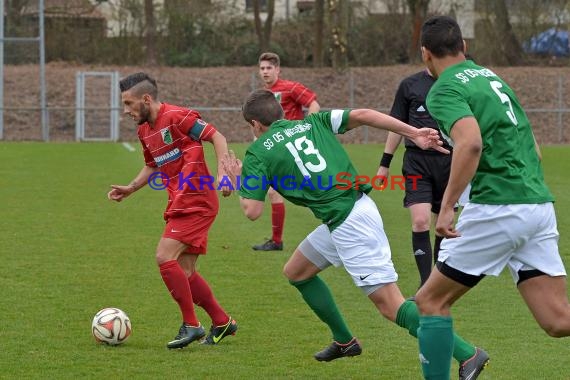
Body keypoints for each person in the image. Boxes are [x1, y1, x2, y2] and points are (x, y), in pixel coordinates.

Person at [223, 89, 488, 379]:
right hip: (348, 212)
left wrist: (237, 179)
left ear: (256, 125)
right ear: (281, 113)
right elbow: (363, 115)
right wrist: (414, 132)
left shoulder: (258, 152)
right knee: (297, 271)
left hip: (349, 223)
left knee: (392, 307)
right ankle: (344, 341)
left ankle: (468, 354)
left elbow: (251, 211)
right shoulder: (313, 121)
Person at [415, 15, 570, 380]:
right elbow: (534, 148)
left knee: (430, 301)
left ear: (426, 55)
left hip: (499, 207)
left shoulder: (444, 89)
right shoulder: (493, 78)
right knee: (558, 320)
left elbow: (470, 143)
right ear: (464, 47)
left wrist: (448, 204)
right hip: (536, 204)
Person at [107, 72, 237, 349]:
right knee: (185, 269)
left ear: (146, 98)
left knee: (164, 256)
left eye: (129, 104)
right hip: (178, 200)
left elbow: (218, 137)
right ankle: (222, 321)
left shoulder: (178, 117)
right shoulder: (144, 130)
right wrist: (131, 188)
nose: (126, 111)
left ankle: (192, 325)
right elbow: (153, 164)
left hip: (197, 199)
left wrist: (225, 173)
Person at [377, 67, 454, 288]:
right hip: (416, 161)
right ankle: (425, 283)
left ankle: (439, 283)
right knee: (420, 221)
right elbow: (395, 126)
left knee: (443, 224)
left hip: (451, 161)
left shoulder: (456, 82)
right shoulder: (409, 85)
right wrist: (385, 163)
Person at [252, 52, 321, 252]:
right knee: (275, 191)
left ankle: (337, 220)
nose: (265, 71)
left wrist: (308, 127)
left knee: (307, 190)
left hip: (292, 149)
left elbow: (313, 103)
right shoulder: (262, 94)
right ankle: (276, 241)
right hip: (273, 150)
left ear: (277, 70)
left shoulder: (290, 88)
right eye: (262, 68)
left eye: (268, 68)